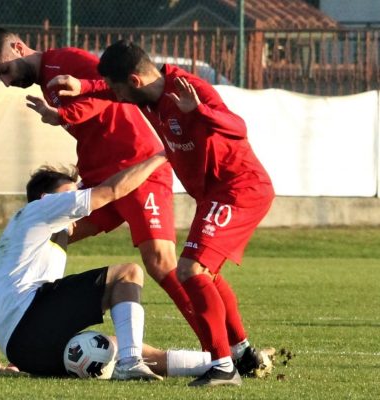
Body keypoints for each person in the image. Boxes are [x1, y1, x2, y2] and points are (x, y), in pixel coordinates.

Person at [46, 40, 276, 387]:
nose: (116, 97)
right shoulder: (149, 94)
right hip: (213, 195)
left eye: (117, 88)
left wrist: (199, 113)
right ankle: (241, 352)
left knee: (190, 269)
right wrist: (85, 86)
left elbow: (238, 126)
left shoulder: (188, 89)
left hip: (238, 188)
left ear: (134, 82)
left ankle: (223, 366)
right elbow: (110, 93)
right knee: (206, 274)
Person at [0, 28, 204, 342]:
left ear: (17, 47)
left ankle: (225, 348)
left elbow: (106, 92)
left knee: (160, 263)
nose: (6, 81)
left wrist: (64, 115)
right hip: (101, 178)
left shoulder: (65, 60)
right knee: (53, 232)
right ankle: (29, 321)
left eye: (5, 71)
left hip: (136, 168)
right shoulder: (47, 82)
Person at [0, 154, 215, 380]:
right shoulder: (41, 209)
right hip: (32, 323)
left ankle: (218, 362)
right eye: (70, 194)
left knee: (119, 345)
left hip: (25, 353)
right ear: (46, 198)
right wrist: (162, 156)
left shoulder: (12, 247)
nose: (76, 205)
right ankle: (130, 364)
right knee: (128, 273)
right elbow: (112, 191)